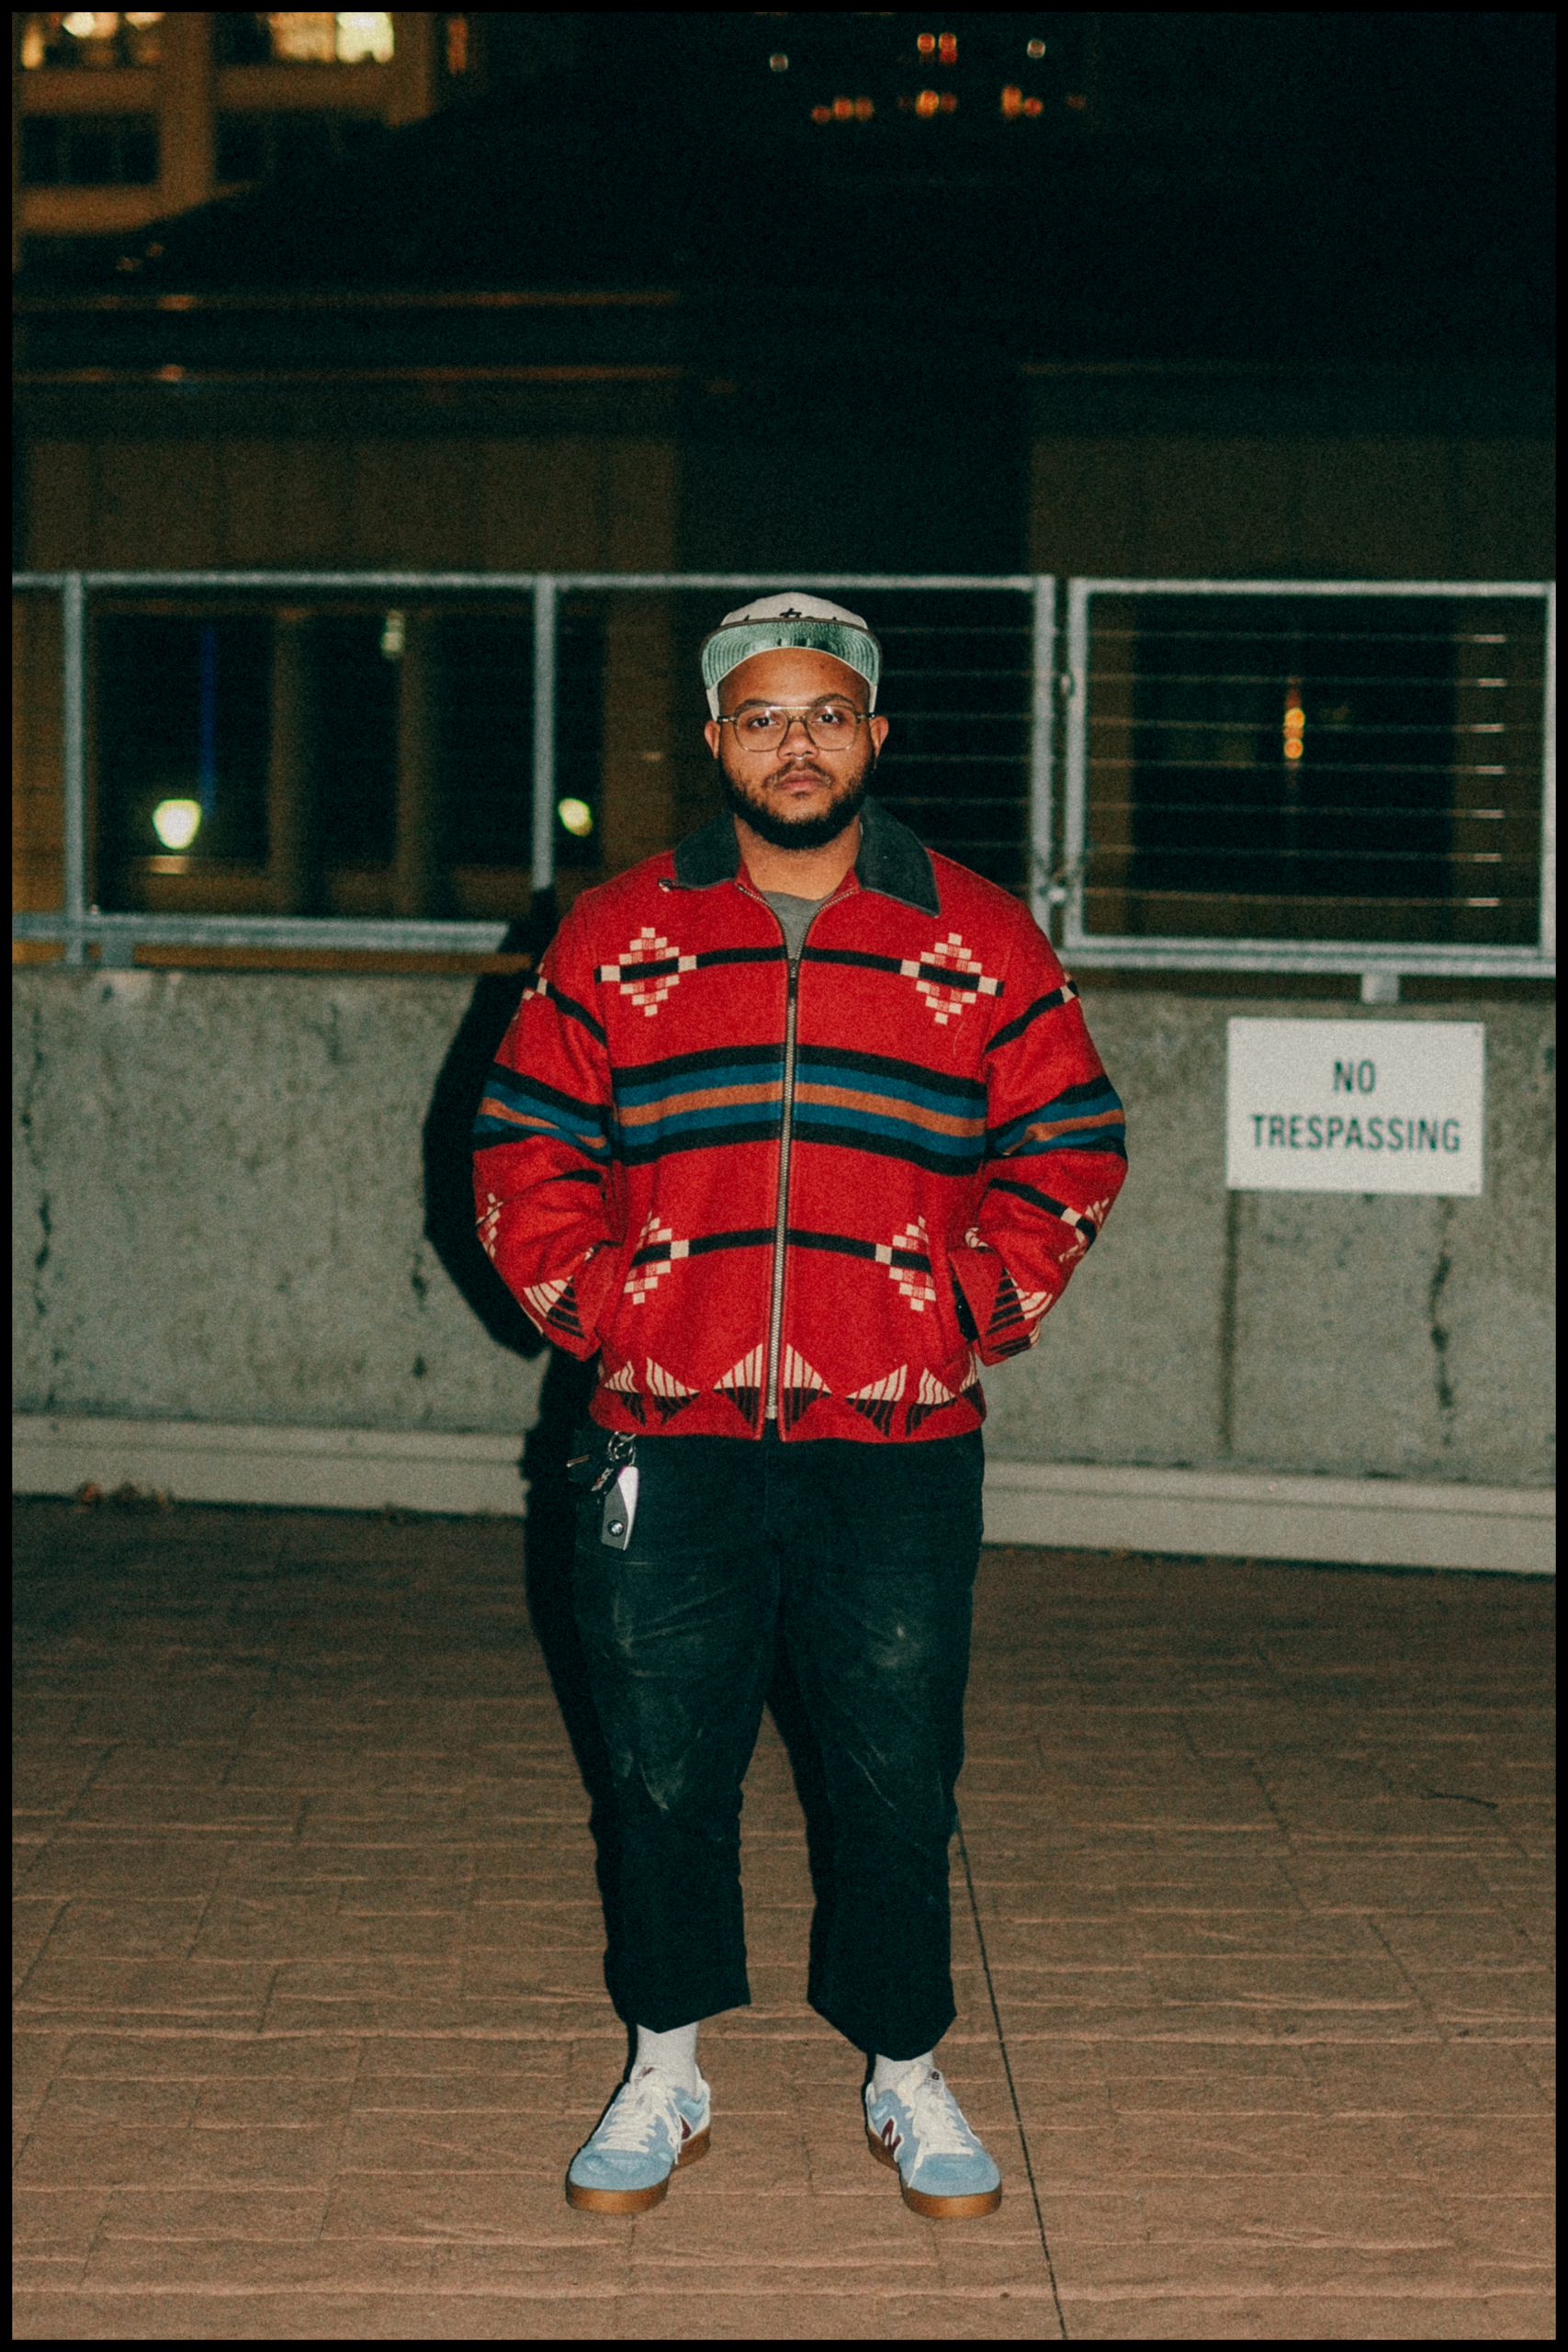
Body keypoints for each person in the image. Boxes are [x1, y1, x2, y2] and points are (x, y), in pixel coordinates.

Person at [474, 592, 1126, 2220]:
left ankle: (906, 2071)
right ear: (714, 739)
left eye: (825, 712)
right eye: (761, 715)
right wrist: (618, 1317)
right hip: (662, 1434)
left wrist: (968, 1310)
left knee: (896, 1768)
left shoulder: (977, 935)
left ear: (874, 735)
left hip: (896, 1445)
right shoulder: (616, 932)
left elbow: (1073, 1145)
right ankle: (663, 2062)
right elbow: (522, 1154)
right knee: (659, 1763)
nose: (795, 742)